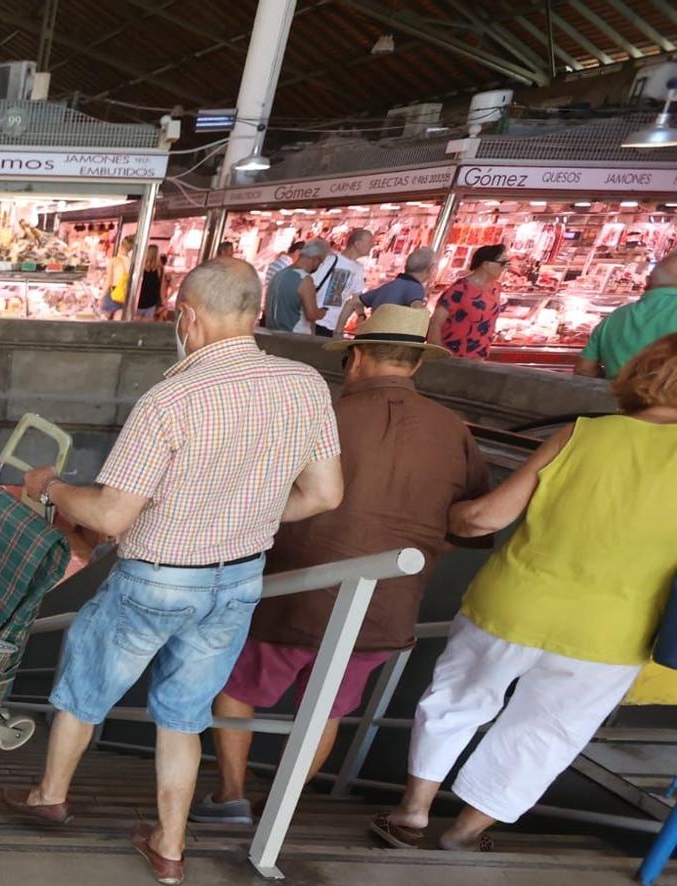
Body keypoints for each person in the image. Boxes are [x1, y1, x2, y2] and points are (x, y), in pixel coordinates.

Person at [11, 259, 343, 885]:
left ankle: (50, 797)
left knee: (88, 686)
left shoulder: (171, 399)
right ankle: (169, 845)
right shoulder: (306, 385)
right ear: (258, 312)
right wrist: (248, 517)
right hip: (238, 579)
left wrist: (53, 487)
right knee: (185, 714)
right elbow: (326, 494)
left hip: (158, 576)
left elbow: (110, 514)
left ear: (187, 316)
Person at [374, 333, 677, 852]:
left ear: (642, 372)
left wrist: (439, 515)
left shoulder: (582, 435)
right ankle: (466, 833)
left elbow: (485, 518)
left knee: (457, 701)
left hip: (514, 602)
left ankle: (413, 812)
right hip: (613, 633)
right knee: (546, 732)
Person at [197, 305, 491, 824]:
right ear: (418, 365)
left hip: (290, 595)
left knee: (236, 687)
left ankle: (231, 796)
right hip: (383, 609)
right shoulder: (453, 431)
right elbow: (466, 522)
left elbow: (258, 494)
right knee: (325, 710)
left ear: (354, 359)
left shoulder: (322, 415)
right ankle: (276, 811)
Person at [575, 252, 677, 378]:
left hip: (620, 396)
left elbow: (584, 370)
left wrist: (617, 383)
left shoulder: (615, 316)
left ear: (647, 281)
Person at [427, 244, 509, 360]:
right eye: (502, 263)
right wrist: (440, 356)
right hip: (454, 358)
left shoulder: (496, 288)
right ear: (486, 264)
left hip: (479, 358)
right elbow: (435, 323)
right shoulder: (459, 290)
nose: (504, 267)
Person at [338, 246, 437, 330]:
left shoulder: (388, 286)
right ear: (432, 269)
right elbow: (417, 308)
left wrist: (338, 332)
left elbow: (352, 303)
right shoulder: (416, 288)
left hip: (373, 339)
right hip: (392, 345)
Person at [311, 227, 372, 336]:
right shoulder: (330, 260)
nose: (372, 245)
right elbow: (311, 285)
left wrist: (361, 315)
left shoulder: (358, 268)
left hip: (334, 325)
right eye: (369, 242)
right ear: (357, 244)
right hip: (316, 321)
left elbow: (356, 297)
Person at [263, 239, 327, 334]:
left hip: (273, 332)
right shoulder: (305, 279)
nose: (319, 266)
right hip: (294, 335)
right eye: (321, 262)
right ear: (315, 259)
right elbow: (311, 314)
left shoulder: (279, 274)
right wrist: (322, 312)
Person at [135, 244, 165, 319]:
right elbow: (161, 288)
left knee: (133, 326)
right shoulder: (160, 269)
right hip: (151, 302)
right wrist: (162, 302)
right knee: (146, 328)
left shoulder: (140, 267)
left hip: (138, 301)